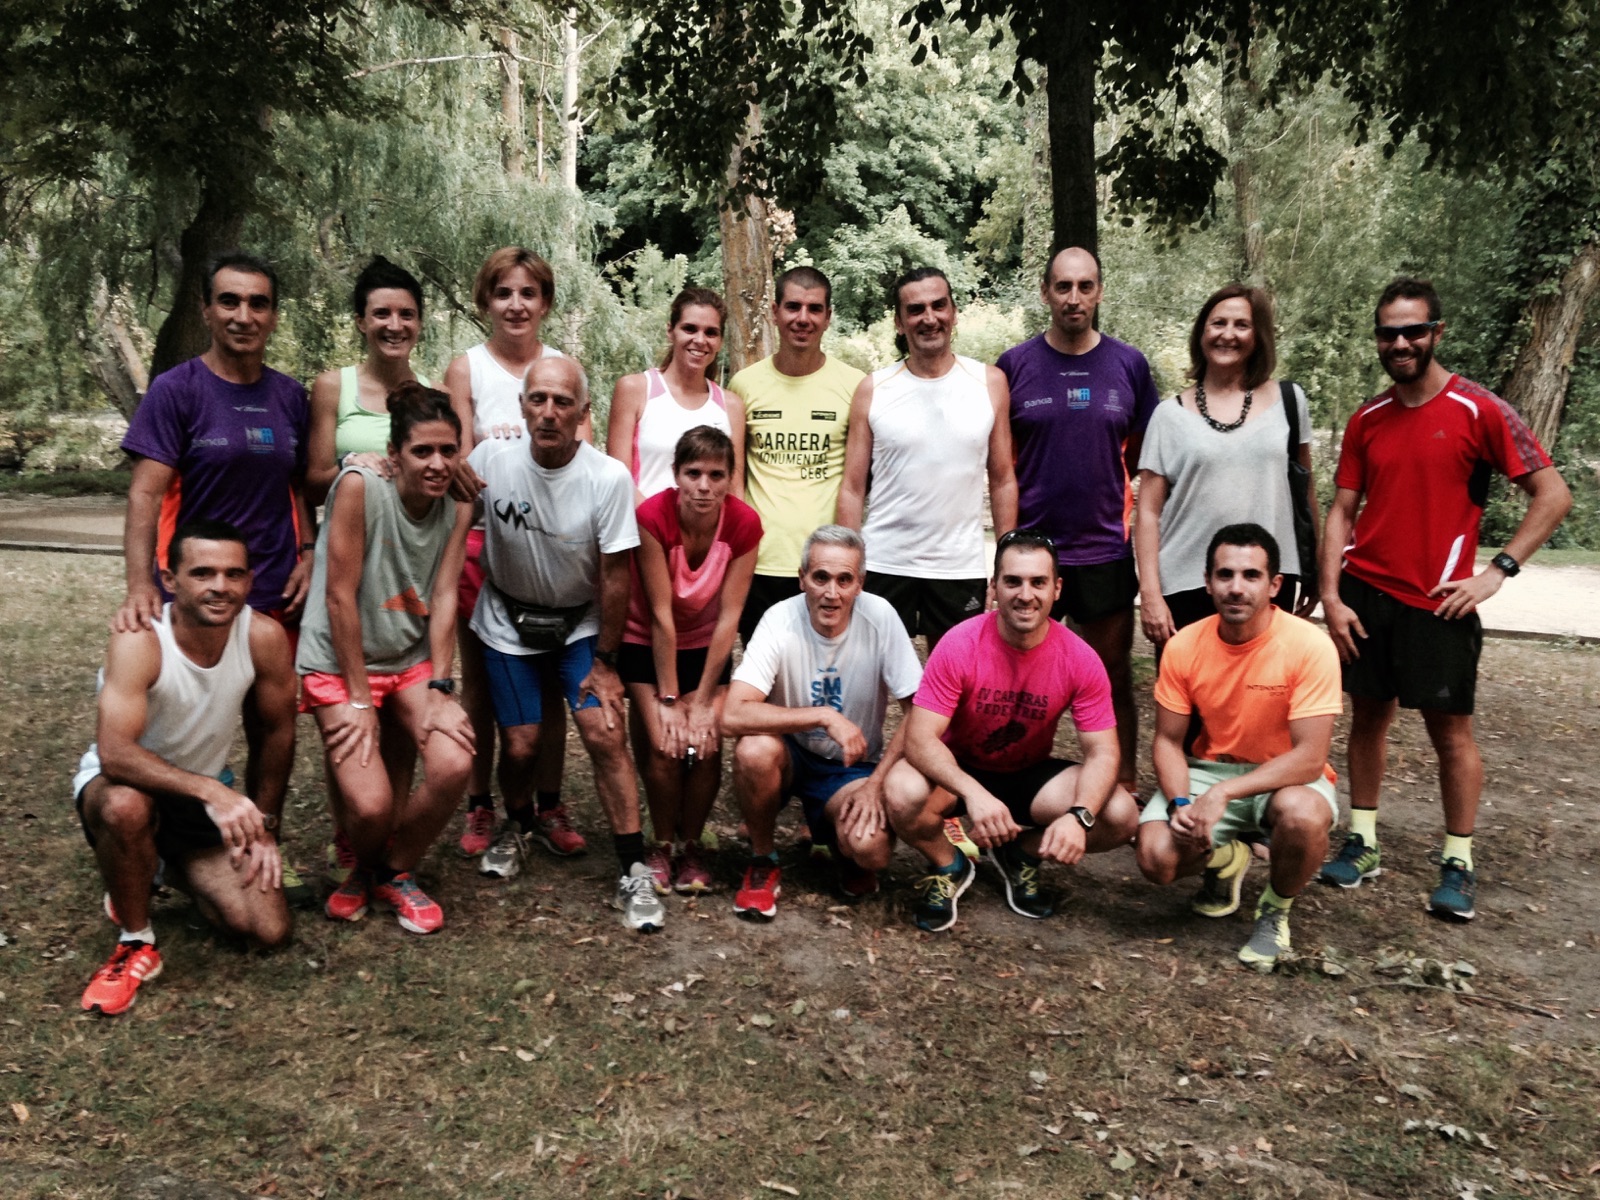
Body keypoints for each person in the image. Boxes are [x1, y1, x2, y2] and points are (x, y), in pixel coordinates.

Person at [1318, 278, 1571, 920]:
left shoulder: (1479, 409)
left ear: (1436, 334)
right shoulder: (1367, 419)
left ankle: (1458, 860)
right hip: (1365, 594)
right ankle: (1363, 841)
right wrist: (1331, 595)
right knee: (1367, 718)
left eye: (1413, 331)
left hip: (1439, 603)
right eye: (1388, 332)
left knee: (1451, 734)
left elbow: (1553, 494)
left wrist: (1498, 570)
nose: (1400, 343)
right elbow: (1342, 509)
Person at [115, 251, 312, 902]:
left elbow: (300, 485)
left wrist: (308, 549)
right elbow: (145, 494)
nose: (243, 315)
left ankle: (262, 834)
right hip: (197, 592)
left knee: (272, 724)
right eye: (229, 301)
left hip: (273, 588)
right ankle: (148, 835)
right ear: (206, 309)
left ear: (274, 315)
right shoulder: (177, 390)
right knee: (174, 717)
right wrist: (142, 581)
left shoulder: (290, 396)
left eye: (257, 303)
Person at [468, 356, 666, 933]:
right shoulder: (489, 462)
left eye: (562, 403)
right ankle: (519, 823)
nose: (548, 413)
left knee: (604, 732)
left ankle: (633, 868)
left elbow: (615, 576)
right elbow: (432, 492)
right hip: (507, 617)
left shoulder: (607, 477)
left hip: (579, 622)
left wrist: (606, 663)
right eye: (537, 400)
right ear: (522, 405)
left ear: (584, 413)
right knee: (522, 745)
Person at [75, 520, 297, 1015]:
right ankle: (135, 942)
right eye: (203, 573)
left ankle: (155, 863)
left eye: (234, 574)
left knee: (266, 930)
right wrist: (213, 793)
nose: (220, 586)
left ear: (249, 580)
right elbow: (115, 753)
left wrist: (265, 825)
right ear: (171, 580)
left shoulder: (262, 636)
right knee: (126, 806)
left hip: (198, 798)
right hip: (124, 785)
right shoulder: (141, 640)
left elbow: (277, 733)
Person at [885, 530, 1140, 931]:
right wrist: (974, 794)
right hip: (958, 773)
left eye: (1038, 582)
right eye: (1013, 581)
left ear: (1057, 588)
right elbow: (919, 739)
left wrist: (1079, 817)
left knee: (1120, 814)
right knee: (901, 791)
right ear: (994, 588)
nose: (1026, 594)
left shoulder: (1079, 657)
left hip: (1026, 774)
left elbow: (1104, 752)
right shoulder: (960, 643)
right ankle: (949, 864)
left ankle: (1021, 854)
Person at [297, 384, 475, 934]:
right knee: (371, 807)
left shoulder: (458, 504)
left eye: (448, 450)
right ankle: (362, 867)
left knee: (454, 763)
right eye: (423, 451)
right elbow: (337, 596)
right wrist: (357, 699)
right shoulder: (359, 488)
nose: (438, 464)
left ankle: (391, 873)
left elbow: (445, 596)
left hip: (410, 659)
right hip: (339, 663)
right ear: (395, 453)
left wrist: (443, 691)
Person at [1135, 525, 1343, 971]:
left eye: (1251, 575)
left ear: (1275, 585)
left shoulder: (1310, 646)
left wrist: (1223, 795)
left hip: (1285, 775)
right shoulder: (1184, 645)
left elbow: (1310, 756)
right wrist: (1181, 802)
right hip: (1209, 768)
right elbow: (1168, 741)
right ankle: (1229, 857)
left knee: (1303, 818)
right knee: (1156, 858)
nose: (1236, 587)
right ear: (1208, 582)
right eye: (1224, 574)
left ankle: (1274, 910)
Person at [997, 248, 1160, 798]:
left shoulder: (1129, 365)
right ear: (1045, 292)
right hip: (1031, 553)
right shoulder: (1013, 365)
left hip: (1103, 550)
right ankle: (1009, 776)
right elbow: (1000, 462)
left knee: (1112, 675)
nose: (1074, 298)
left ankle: (1127, 782)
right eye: (1063, 287)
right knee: (1016, 675)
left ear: (1099, 292)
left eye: (1085, 286)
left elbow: (1143, 456)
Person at [443, 247, 583, 862]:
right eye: (504, 293)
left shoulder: (561, 366)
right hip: (483, 537)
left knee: (547, 684)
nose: (517, 304)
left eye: (529, 293)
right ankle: (480, 802)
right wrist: (485, 454)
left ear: (545, 302)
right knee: (480, 681)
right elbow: (453, 456)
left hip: (549, 542)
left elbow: (582, 442)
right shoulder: (466, 368)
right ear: (486, 302)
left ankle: (547, 803)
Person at [306, 255, 433, 885]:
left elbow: (437, 466)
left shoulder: (425, 395)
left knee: (401, 721)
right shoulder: (335, 387)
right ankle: (350, 833)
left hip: (401, 567)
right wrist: (358, 462)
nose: (393, 323)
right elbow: (310, 477)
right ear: (361, 320)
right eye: (381, 312)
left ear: (419, 323)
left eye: (406, 314)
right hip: (345, 553)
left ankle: (390, 827)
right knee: (351, 710)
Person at [723, 526, 923, 919]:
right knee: (754, 749)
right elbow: (733, 713)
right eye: (820, 578)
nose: (831, 592)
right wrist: (822, 716)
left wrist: (876, 785)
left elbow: (918, 711)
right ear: (802, 580)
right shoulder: (779, 618)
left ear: (859, 584)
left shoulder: (881, 617)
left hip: (852, 767)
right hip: (791, 755)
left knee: (871, 852)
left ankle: (836, 838)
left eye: (844, 580)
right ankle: (763, 860)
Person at [837, 267, 1017, 648]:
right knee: (872, 682)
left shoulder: (990, 383)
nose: (929, 318)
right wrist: (845, 565)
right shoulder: (873, 389)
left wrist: (1007, 561)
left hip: (958, 566)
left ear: (953, 312)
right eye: (916, 310)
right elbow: (852, 488)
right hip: (885, 563)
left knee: (954, 688)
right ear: (899, 322)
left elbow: (1003, 480)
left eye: (939, 306)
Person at [1136, 285, 1318, 653]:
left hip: (1267, 580)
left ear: (1258, 335)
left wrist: (1316, 569)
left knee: (1265, 700)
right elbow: (1148, 512)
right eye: (1218, 323)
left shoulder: (1289, 401)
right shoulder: (1168, 415)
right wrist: (1151, 594)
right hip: (1186, 583)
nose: (1228, 334)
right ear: (1202, 332)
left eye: (1241, 325)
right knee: (1190, 705)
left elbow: (1306, 490)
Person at [622, 426, 761, 894]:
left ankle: (692, 845)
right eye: (694, 473)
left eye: (716, 475)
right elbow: (660, 614)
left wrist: (701, 703)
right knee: (664, 745)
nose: (704, 485)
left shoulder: (744, 524)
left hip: (705, 647)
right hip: (645, 643)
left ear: (729, 479)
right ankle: (662, 845)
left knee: (705, 744)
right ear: (676, 475)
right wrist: (667, 697)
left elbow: (730, 617)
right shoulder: (651, 515)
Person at [729, 267, 865, 643]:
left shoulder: (854, 385)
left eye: (814, 309)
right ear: (774, 312)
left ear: (828, 316)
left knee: (823, 678)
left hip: (827, 567)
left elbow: (857, 482)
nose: (802, 319)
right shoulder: (744, 385)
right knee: (766, 682)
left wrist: (849, 559)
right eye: (792, 307)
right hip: (758, 562)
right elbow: (735, 479)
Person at [606, 288, 738, 501]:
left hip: (705, 533)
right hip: (642, 528)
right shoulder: (635, 389)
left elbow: (734, 491)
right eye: (690, 329)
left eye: (710, 332)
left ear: (721, 341)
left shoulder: (730, 404)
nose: (700, 339)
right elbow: (619, 479)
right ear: (670, 331)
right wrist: (659, 530)